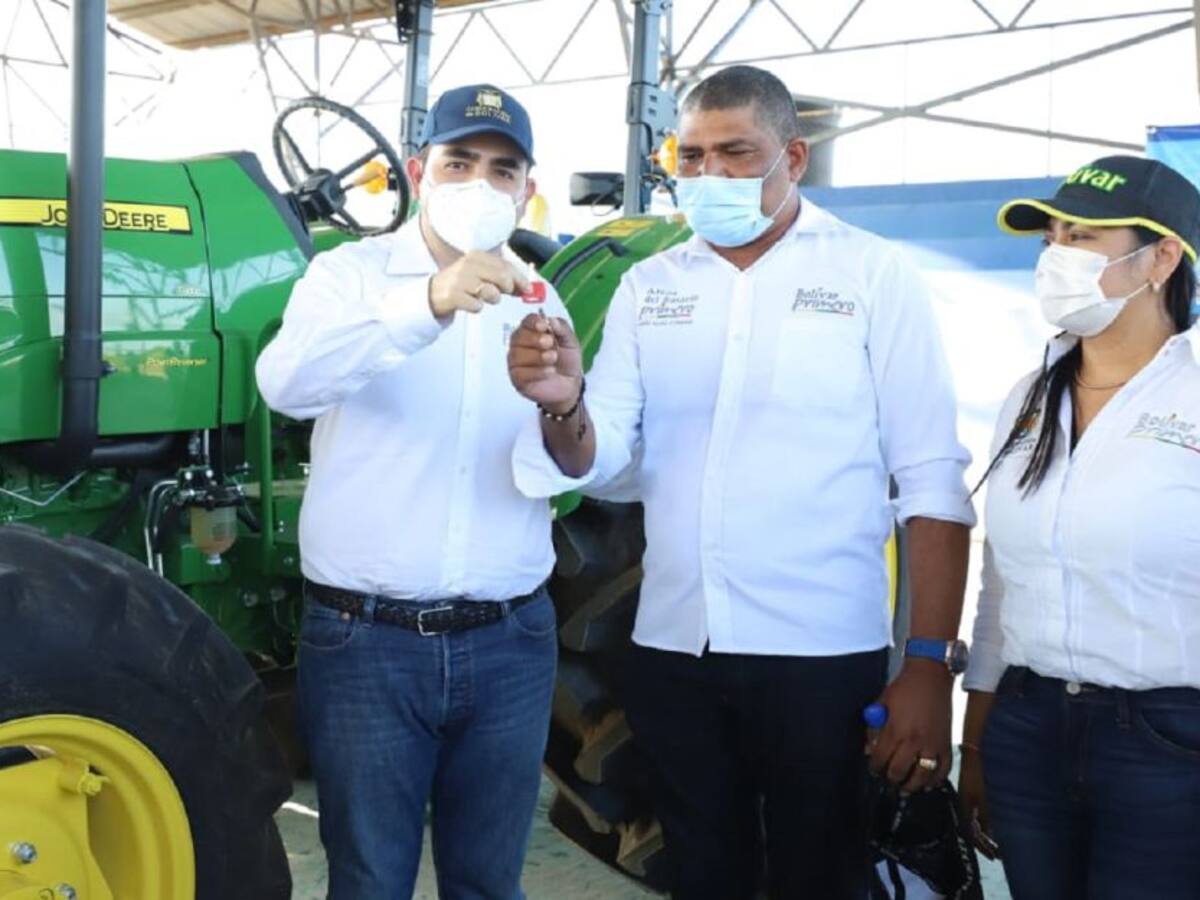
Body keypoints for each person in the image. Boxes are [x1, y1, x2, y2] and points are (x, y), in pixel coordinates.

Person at [506, 64, 975, 899]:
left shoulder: (870, 275)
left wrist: (929, 667)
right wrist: (562, 404)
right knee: (700, 871)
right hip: (676, 648)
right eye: (690, 157)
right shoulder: (653, 285)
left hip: (820, 656)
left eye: (735, 152)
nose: (709, 175)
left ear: (791, 157)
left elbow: (932, 481)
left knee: (820, 874)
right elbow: (603, 457)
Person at [256, 84, 566, 900]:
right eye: (459, 162)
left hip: (511, 644)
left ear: (526, 189)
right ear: (421, 171)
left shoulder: (540, 296)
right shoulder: (348, 276)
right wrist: (423, 304)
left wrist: (567, 406)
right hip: (369, 644)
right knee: (367, 881)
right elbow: (287, 384)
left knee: (490, 883)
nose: (479, 183)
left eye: (502, 169)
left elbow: (560, 459)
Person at [959, 155, 1200, 900]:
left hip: (1169, 742)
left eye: (1083, 235)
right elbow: (1002, 581)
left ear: (1162, 257)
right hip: (1029, 730)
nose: (1056, 255)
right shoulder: (1030, 396)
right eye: (1051, 237)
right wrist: (979, 739)